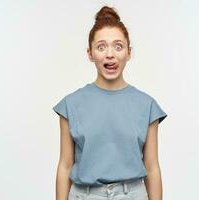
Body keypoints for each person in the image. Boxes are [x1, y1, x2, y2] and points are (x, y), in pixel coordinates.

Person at [53, 5, 167, 200]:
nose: (110, 54)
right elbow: (65, 166)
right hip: (85, 195)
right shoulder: (70, 105)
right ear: (90, 54)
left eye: (118, 46)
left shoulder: (147, 105)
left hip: (132, 195)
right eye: (101, 46)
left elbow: (152, 167)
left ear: (128, 53)